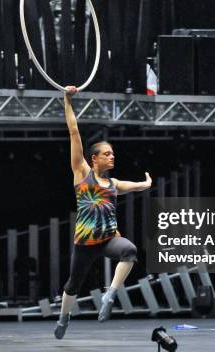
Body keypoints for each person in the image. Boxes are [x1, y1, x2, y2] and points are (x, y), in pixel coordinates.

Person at [54, 86, 152, 339]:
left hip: (108, 239)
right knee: (72, 285)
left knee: (130, 250)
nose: (112, 157)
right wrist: (66, 98)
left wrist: (146, 184)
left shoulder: (113, 184)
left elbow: (133, 186)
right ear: (94, 158)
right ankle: (64, 316)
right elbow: (74, 131)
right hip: (85, 243)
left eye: (113, 154)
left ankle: (110, 293)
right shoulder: (81, 172)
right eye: (107, 154)